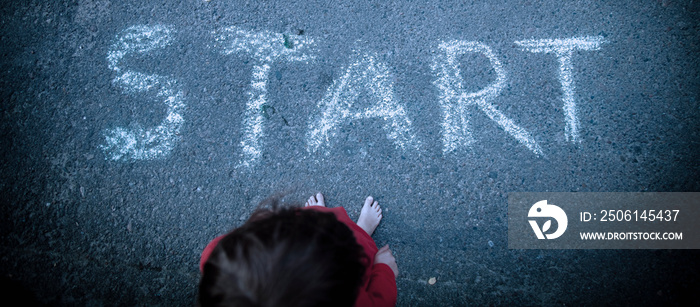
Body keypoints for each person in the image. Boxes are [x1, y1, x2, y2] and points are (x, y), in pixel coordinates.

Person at [198, 192, 398, 307]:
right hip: (345, 262)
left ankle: (315, 218)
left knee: (319, 226)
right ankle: (361, 231)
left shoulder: (219, 263)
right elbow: (378, 303)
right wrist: (384, 271)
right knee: (357, 246)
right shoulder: (344, 300)